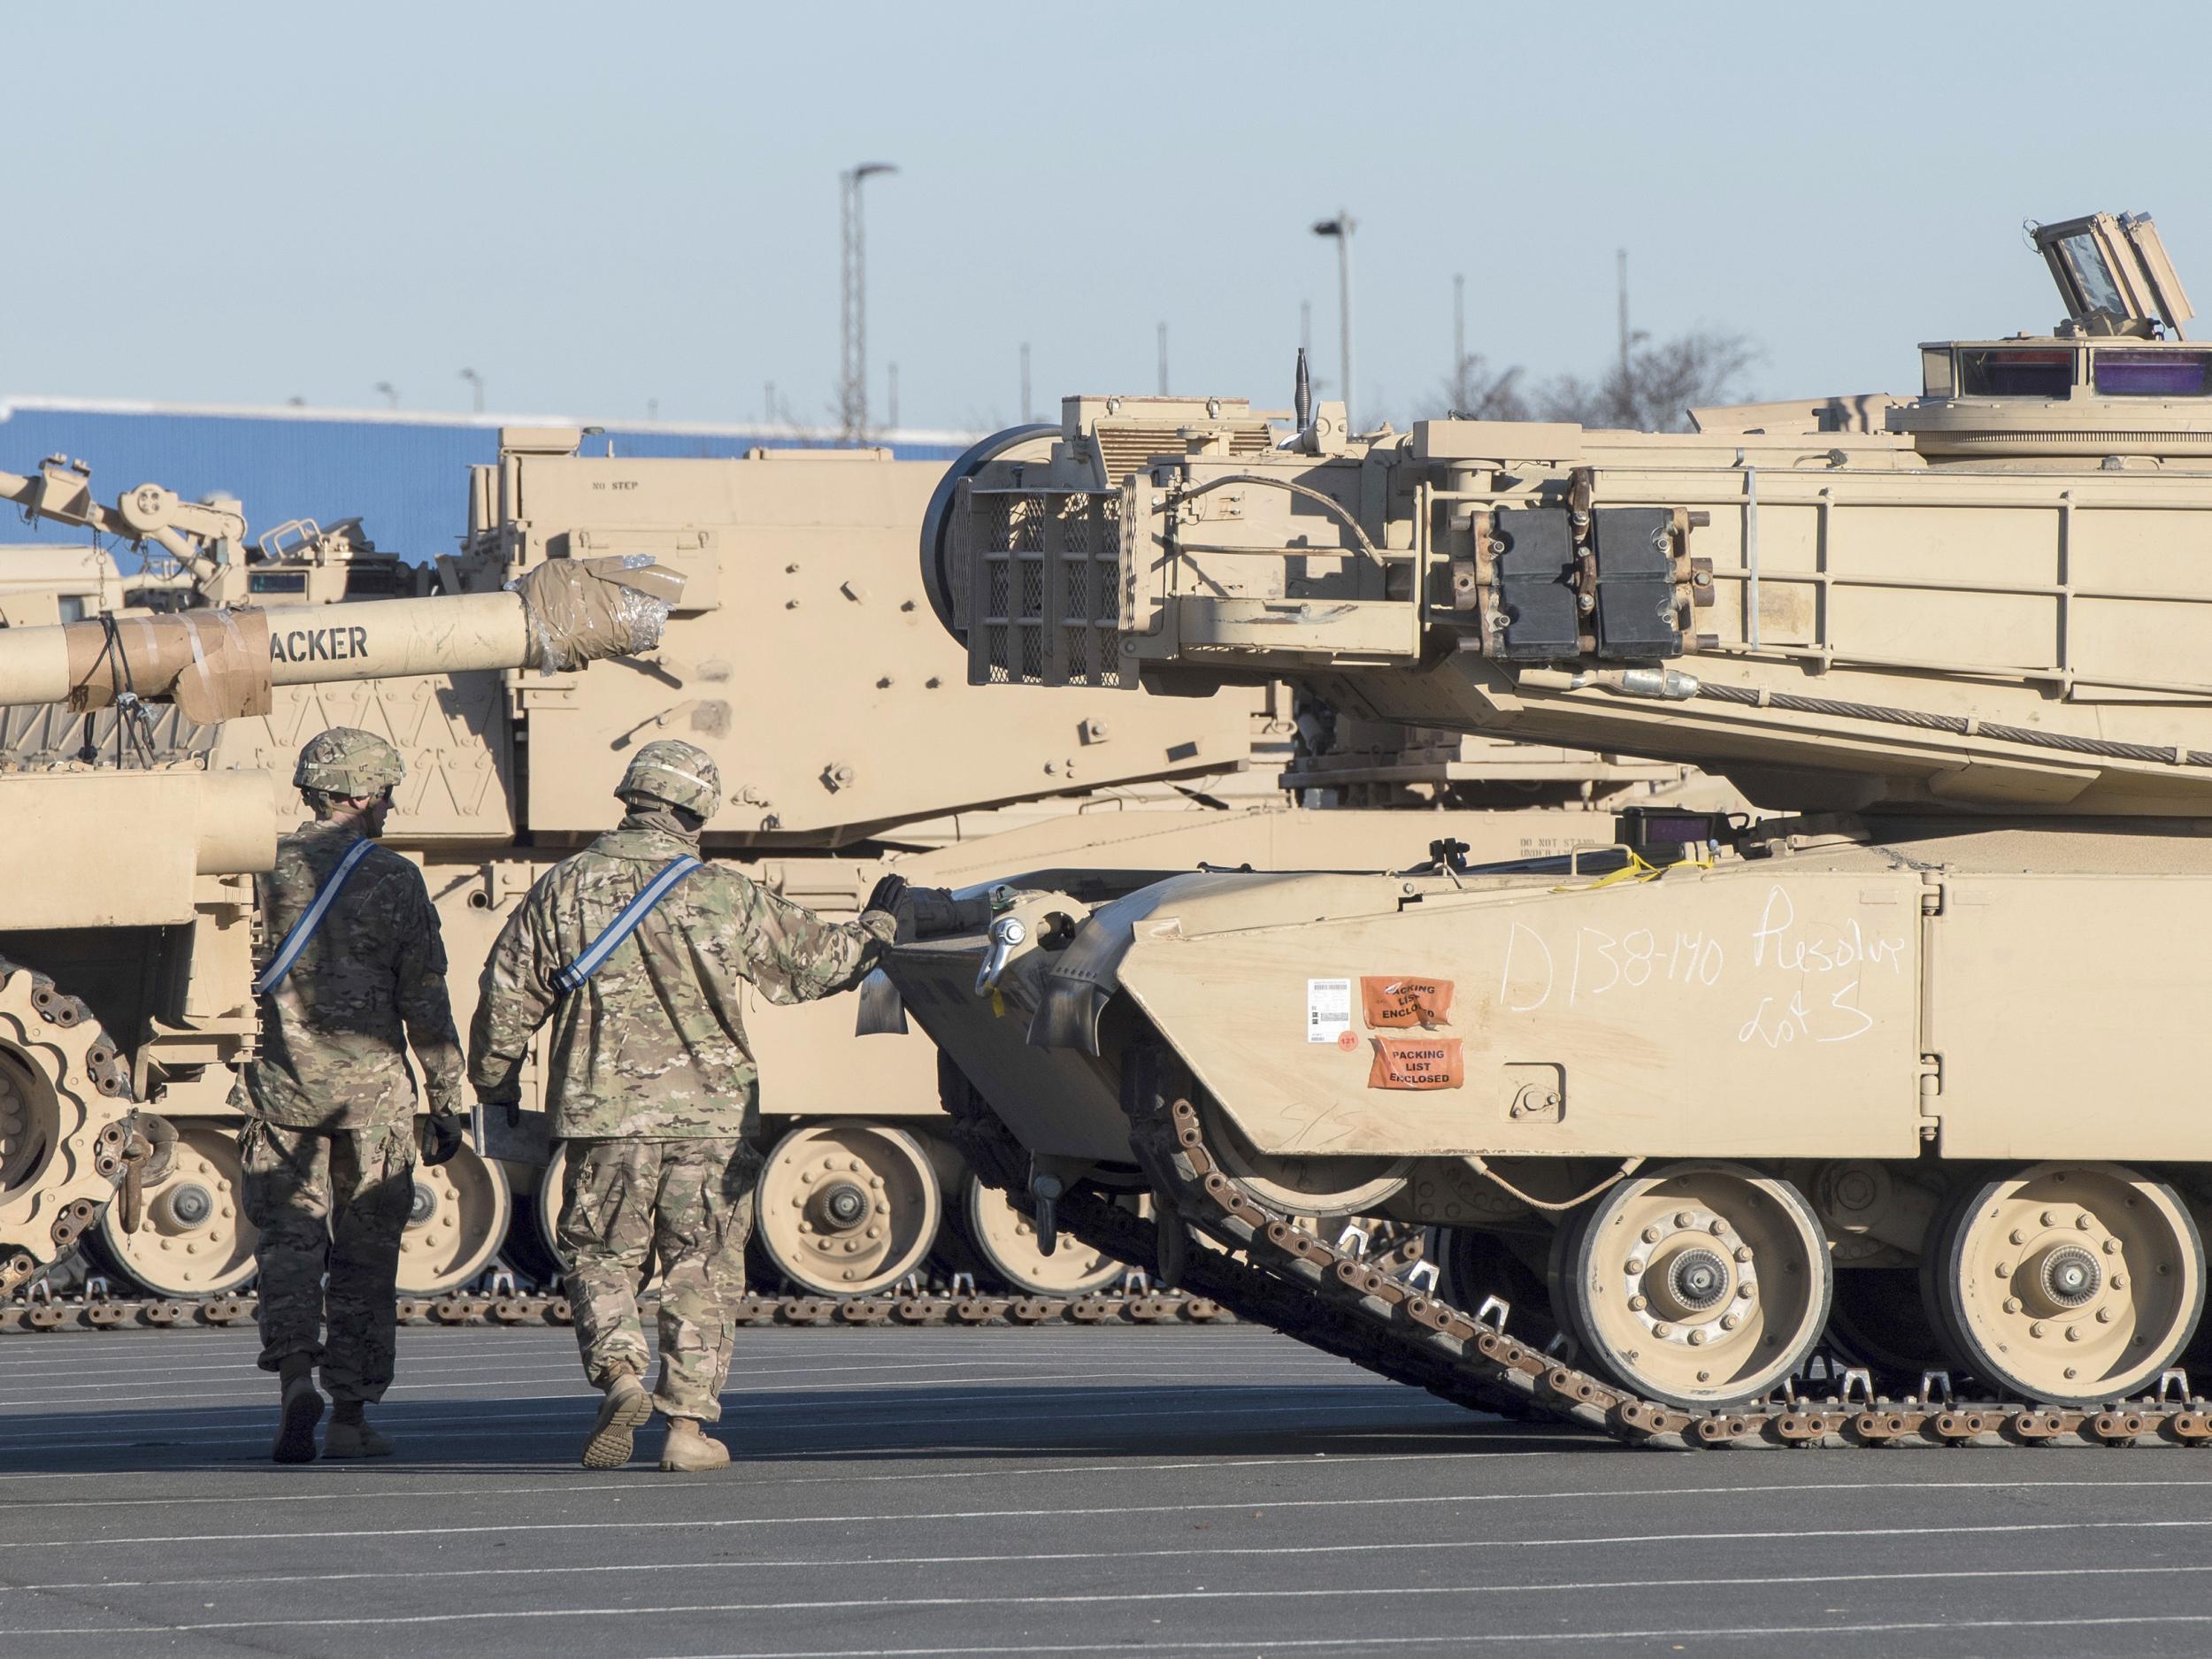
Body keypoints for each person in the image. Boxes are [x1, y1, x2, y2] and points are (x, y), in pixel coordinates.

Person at [469, 740, 907, 1472]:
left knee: (602, 1255)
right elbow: (822, 964)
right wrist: (880, 929)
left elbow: (506, 996)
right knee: (700, 1267)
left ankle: (620, 1375)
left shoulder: (563, 887)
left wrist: (497, 1085)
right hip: (710, 1120)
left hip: (603, 1116)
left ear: (631, 797)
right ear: (695, 808)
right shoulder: (722, 891)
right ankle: (687, 1430)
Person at [238, 726, 468, 1463]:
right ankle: (348, 1418)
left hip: (282, 1090)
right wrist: (447, 1095)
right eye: (389, 793)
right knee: (366, 1256)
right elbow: (424, 998)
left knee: (291, 1244)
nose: (391, 807)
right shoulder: (394, 878)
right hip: (373, 1100)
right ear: (362, 795)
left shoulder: (260, 869)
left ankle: (296, 1376)